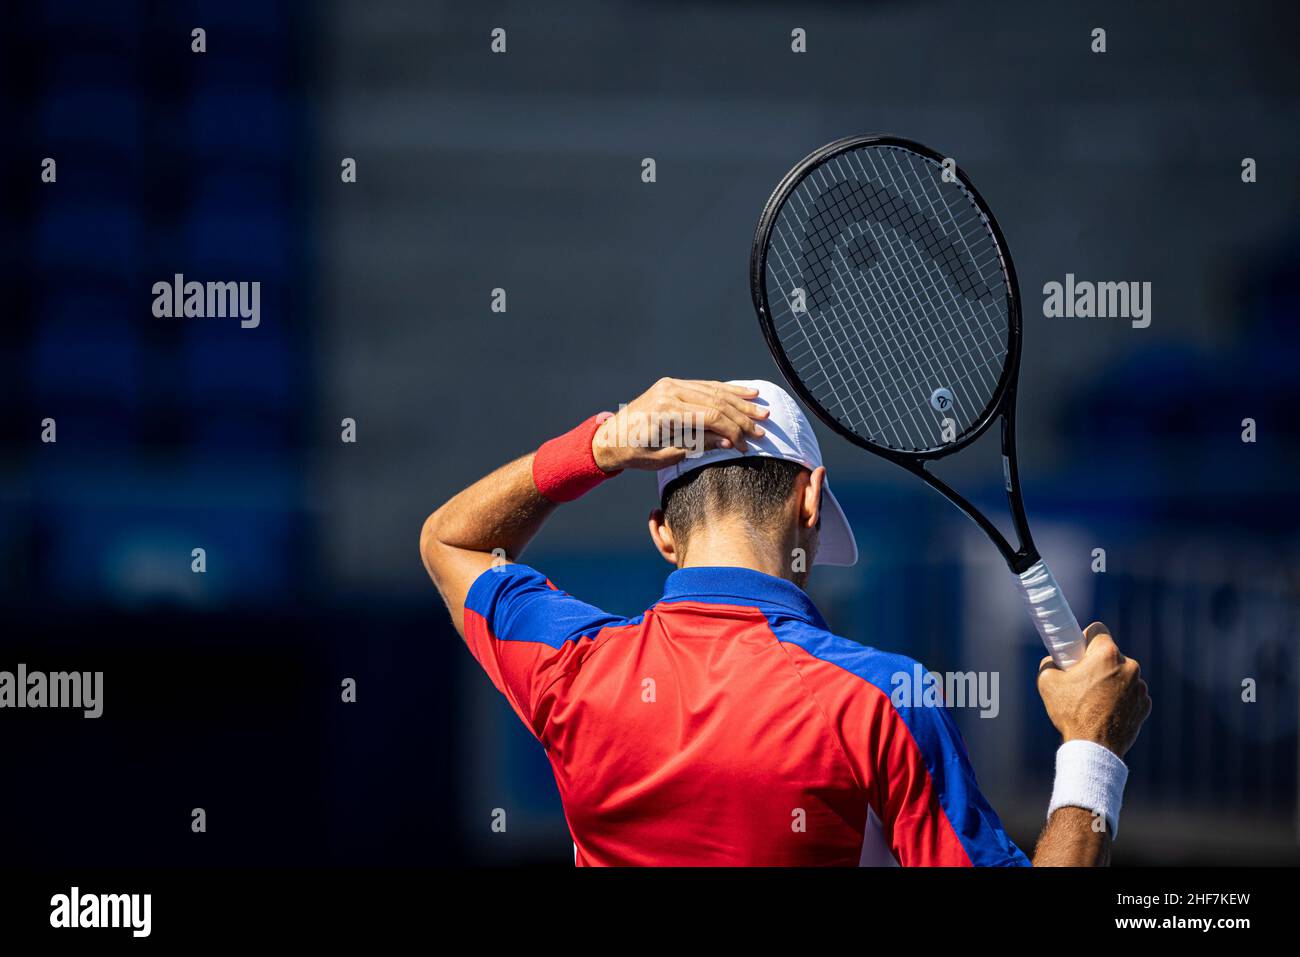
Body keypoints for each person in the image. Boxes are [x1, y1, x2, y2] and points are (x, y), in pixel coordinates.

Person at [420, 377, 1151, 866]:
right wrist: (1092, 747)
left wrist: (601, 445)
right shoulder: (884, 697)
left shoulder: (571, 663)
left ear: (662, 532)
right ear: (811, 500)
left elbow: (448, 539)